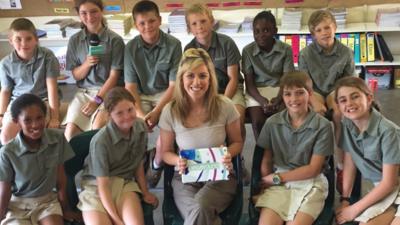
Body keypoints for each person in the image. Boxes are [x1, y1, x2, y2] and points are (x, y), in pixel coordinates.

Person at [159, 48, 243, 225]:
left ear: (210, 78)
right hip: (185, 177)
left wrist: (228, 153)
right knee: (201, 213)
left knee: (199, 206)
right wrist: (177, 161)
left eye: (203, 76)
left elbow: (237, 142)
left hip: (220, 176)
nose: (197, 82)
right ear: (181, 79)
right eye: (190, 75)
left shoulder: (224, 105)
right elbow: (166, 152)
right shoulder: (170, 110)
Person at [255, 71, 334, 225]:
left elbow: (314, 169)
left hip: (311, 183)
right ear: (282, 97)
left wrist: (277, 178)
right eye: (287, 94)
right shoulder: (272, 122)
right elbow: (267, 159)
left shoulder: (322, 126)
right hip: (279, 184)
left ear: (310, 94)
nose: (293, 99)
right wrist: (265, 188)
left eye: (299, 93)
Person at [77, 87, 158, 225]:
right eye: (119, 113)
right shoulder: (100, 141)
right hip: (96, 188)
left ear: (135, 106)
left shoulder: (140, 127)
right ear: (109, 115)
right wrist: (116, 220)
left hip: (124, 183)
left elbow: (137, 164)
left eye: (130, 110)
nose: (127, 116)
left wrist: (145, 192)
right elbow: (103, 185)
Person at [124, 0, 182, 187]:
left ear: (159, 20)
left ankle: (156, 164)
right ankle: (136, 166)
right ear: (135, 25)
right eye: (142, 23)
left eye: (151, 21)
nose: (147, 26)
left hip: (166, 95)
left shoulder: (174, 45)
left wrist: (157, 112)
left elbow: (174, 86)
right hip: (140, 97)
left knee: (170, 124)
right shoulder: (130, 48)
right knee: (129, 124)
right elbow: (130, 87)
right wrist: (141, 115)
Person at [0, 94, 80, 224]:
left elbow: (61, 178)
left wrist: (65, 208)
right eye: (27, 120)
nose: (35, 125)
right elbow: (4, 190)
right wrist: (1, 215)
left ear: (45, 116)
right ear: (16, 122)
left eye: (39, 118)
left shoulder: (57, 139)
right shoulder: (7, 152)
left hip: (47, 203)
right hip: (17, 205)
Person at [298, 9, 356, 191]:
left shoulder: (346, 52)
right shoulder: (306, 54)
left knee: (339, 114)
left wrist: (342, 99)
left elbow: (349, 81)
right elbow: (305, 83)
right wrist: (314, 100)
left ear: (335, 27)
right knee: (318, 114)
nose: (325, 32)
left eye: (328, 27)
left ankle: (340, 164)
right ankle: (320, 161)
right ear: (313, 34)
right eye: (320, 30)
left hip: (336, 90)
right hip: (313, 89)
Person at [335, 77, 400, 225]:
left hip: (392, 185)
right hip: (386, 191)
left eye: (355, 96)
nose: (349, 103)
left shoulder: (388, 132)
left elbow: (389, 182)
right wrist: (346, 200)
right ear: (338, 106)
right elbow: (350, 161)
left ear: (369, 98)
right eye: (343, 100)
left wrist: (354, 209)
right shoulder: (347, 123)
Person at [63, 0, 124, 141]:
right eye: (84, 13)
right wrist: (86, 64)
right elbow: (76, 76)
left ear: (101, 11)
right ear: (78, 14)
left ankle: (98, 161)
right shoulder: (74, 40)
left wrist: (97, 100)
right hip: (84, 92)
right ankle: (78, 162)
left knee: (97, 131)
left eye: (94, 11)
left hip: (109, 92)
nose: (89, 17)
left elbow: (114, 77)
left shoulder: (115, 40)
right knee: (70, 134)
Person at [184, 3, 245, 137]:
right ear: (189, 29)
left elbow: (233, 79)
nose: (199, 26)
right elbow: (191, 80)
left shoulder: (226, 43)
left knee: (237, 118)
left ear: (211, 22)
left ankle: (237, 155)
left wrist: (222, 103)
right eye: (194, 24)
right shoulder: (189, 49)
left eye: (203, 21)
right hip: (203, 91)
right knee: (196, 120)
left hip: (230, 89)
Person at [0, 18, 63, 145]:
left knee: (34, 133)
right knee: (6, 138)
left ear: (36, 40)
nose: (24, 43)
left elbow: (52, 87)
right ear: (11, 40)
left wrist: (55, 117)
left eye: (28, 38)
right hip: (17, 102)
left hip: (42, 100)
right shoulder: (5, 63)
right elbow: (6, 91)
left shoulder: (47, 56)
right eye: (18, 39)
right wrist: (1, 115)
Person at [242, 10, 295, 139]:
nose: (261, 35)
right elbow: (249, 83)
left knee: (282, 119)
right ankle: (263, 154)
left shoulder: (286, 49)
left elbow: (287, 79)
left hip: (280, 88)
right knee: (258, 121)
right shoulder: (248, 51)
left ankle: (282, 151)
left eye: (266, 30)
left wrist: (278, 99)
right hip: (256, 91)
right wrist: (262, 101)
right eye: (257, 31)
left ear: (275, 31)